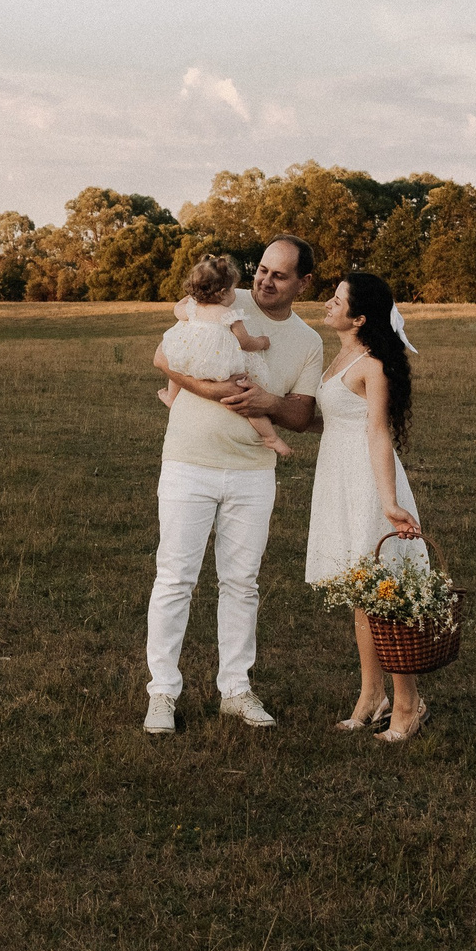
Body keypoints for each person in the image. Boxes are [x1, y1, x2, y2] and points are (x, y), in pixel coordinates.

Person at [143, 236, 325, 734]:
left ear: (303, 283)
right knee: (175, 579)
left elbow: (302, 412)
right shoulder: (225, 297)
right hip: (188, 462)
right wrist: (217, 390)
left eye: (280, 275)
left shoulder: (309, 341)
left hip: (251, 474)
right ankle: (161, 693)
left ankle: (236, 690)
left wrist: (265, 401)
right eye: (262, 269)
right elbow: (164, 355)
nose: (265, 280)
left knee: (242, 584)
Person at [306, 270, 430, 743]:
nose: (328, 305)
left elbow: (377, 432)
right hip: (336, 476)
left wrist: (390, 503)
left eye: (337, 301)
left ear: (359, 317)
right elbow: (335, 419)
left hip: (367, 480)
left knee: (384, 595)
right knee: (360, 596)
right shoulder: (341, 353)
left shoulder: (373, 364)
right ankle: (370, 695)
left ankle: (407, 703)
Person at [154, 254, 288, 458]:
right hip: (219, 365)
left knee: (177, 363)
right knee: (244, 395)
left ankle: (172, 397)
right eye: (234, 288)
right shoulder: (230, 314)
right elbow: (245, 342)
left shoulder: (193, 309)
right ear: (224, 292)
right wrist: (262, 341)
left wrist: (192, 296)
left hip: (194, 361)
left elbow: (176, 309)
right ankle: (269, 437)